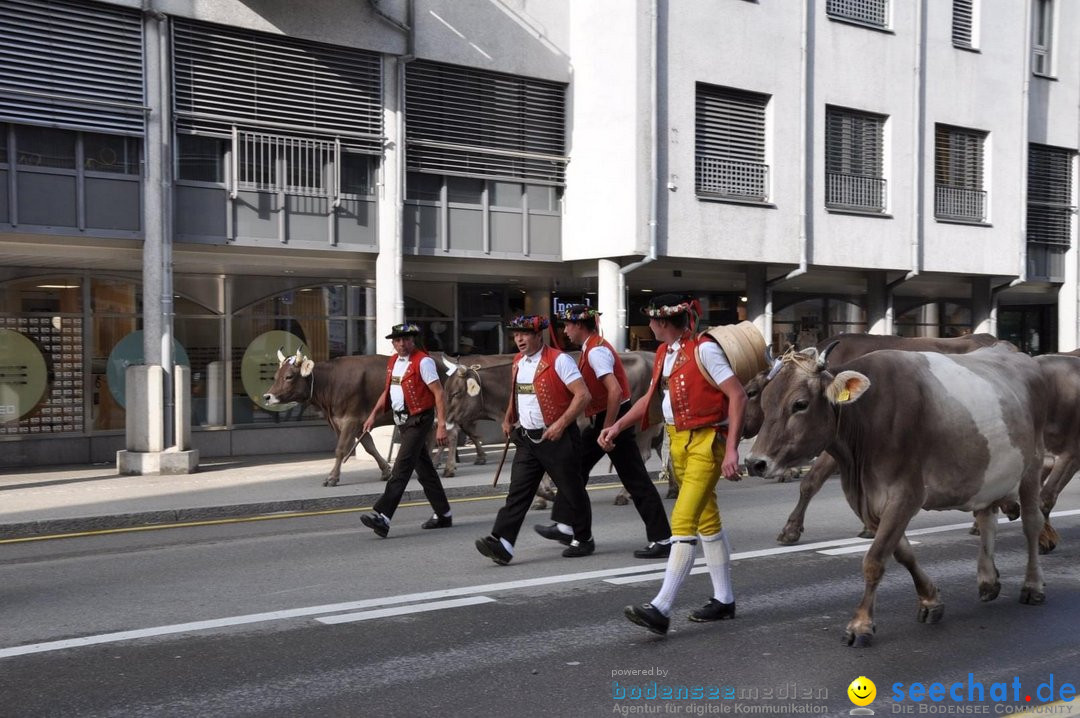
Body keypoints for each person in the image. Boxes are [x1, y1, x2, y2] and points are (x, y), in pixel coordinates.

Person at [599, 294, 747, 635]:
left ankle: (662, 607)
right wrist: (618, 425)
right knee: (706, 520)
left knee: (682, 520)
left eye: (651, 320)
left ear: (663, 322)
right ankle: (724, 600)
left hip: (707, 442)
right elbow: (649, 402)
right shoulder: (665, 353)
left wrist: (732, 450)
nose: (649, 325)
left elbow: (737, 395)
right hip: (677, 441)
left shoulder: (703, 350)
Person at [533, 305, 673, 559]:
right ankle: (566, 525)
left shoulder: (596, 351)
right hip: (606, 418)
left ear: (580, 326)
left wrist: (608, 428)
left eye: (568, 325)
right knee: (576, 468)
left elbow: (615, 391)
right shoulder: (591, 347)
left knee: (635, 479)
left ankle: (662, 538)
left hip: (612, 418)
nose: (565, 330)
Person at [476, 315, 595, 564]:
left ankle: (583, 538)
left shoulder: (559, 360)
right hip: (527, 438)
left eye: (524, 334)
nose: (519, 339)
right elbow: (517, 393)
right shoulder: (518, 361)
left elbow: (582, 396)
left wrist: (561, 424)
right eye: (516, 334)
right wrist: (508, 417)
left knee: (572, 490)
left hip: (557, 437)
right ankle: (503, 543)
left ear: (538, 335)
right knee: (518, 492)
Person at [359, 323, 452, 537]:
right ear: (393, 342)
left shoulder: (424, 362)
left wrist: (441, 426)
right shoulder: (393, 362)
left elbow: (439, 393)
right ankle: (444, 513)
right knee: (426, 471)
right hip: (402, 420)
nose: (402, 344)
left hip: (419, 420)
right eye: (398, 340)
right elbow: (388, 392)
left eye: (406, 340)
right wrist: (373, 415)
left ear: (413, 341)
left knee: (401, 468)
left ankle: (383, 516)